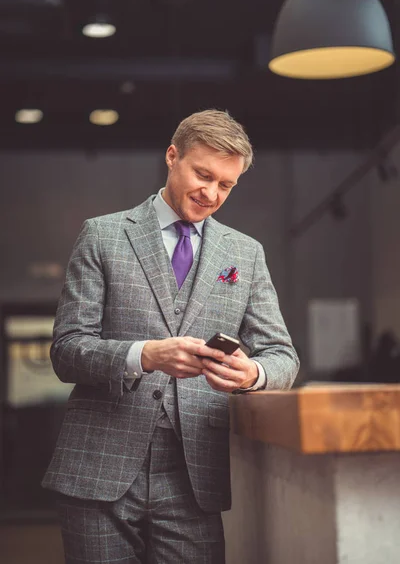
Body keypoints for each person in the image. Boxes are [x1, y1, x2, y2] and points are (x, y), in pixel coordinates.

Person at [42, 109, 299, 564]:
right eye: (203, 175)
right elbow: (66, 351)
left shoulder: (245, 254)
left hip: (193, 474)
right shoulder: (102, 236)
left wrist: (252, 373)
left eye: (226, 185)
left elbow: (283, 356)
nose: (212, 193)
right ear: (172, 155)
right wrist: (144, 355)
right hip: (98, 466)